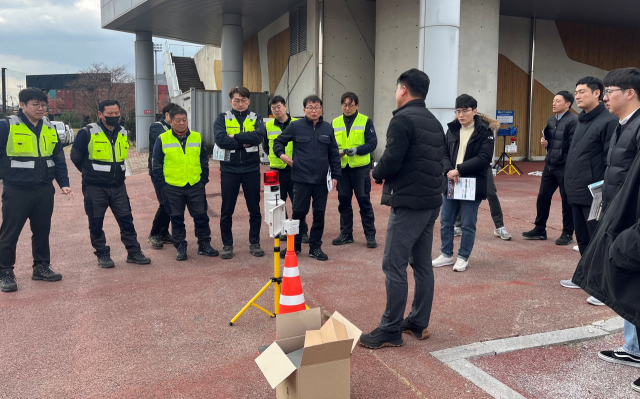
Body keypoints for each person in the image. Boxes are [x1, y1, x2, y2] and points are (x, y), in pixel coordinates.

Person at [358, 68, 445, 349]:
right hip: (431, 202)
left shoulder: (403, 120)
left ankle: (390, 328)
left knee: (393, 264)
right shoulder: (434, 121)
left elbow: (391, 160)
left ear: (403, 90)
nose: (396, 93)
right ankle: (418, 323)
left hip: (409, 203)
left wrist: (376, 172)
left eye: (397, 89)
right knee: (421, 264)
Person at [572, 73, 640, 394]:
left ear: (630, 92)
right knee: (628, 286)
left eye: (610, 91)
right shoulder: (623, 126)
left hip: (632, 221)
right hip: (617, 215)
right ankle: (634, 349)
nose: (606, 97)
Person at [0, 88, 73, 292]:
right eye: (36, 105)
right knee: (10, 233)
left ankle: (41, 267)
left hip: (43, 189)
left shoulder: (49, 127)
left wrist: (64, 183)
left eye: (43, 105)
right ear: (22, 106)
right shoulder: (7, 126)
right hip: (17, 190)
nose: (41, 109)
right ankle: (5, 272)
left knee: (42, 231)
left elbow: (58, 157)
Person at [71, 99, 151, 268]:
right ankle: (102, 254)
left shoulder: (123, 132)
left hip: (118, 186)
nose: (114, 117)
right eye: (110, 114)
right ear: (100, 114)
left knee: (126, 220)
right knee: (96, 222)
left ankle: (133, 251)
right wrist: (90, 174)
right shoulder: (87, 132)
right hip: (95, 187)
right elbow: (75, 157)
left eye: (117, 113)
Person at [560, 77, 617, 292]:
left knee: (598, 239)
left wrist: (604, 190)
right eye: (576, 92)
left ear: (597, 94)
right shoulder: (580, 120)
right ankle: (585, 278)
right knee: (582, 237)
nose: (577, 96)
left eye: (582, 91)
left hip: (595, 193)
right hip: (575, 189)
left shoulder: (608, 120)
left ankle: (602, 287)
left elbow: (609, 159)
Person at [273, 95, 341, 261]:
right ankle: (294, 247)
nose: (314, 110)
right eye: (310, 107)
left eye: (317, 107)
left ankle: (315, 247)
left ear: (321, 109)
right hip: (301, 179)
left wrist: (336, 175)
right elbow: (278, 142)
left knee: (319, 214)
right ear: (304, 110)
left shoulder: (327, 128)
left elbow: (333, 154)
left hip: (320, 181)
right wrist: (282, 156)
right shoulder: (295, 126)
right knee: (298, 214)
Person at [432, 94, 494, 273]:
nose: (461, 115)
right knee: (446, 220)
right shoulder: (451, 129)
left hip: (471, 183)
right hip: (451, 181)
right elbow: (443, 152)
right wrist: (449, 171)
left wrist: (460, 169)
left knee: (467, 223)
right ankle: (446, 254)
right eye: (458, 111)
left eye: (465, 111)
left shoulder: (485, 131)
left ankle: (463, 256)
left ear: (474, 111)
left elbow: (484, 158)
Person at [152, 106, 218, 261]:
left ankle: (204, 244)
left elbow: (203, 159)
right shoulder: (162, 139)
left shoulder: (196, 137)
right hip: (172, 186)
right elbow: (156, 164)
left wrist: (203, 179)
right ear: (170, 121)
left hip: (195, 184)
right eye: (178, 120)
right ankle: (180, 245)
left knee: (201, 217)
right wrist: (163, 185)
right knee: (176, 218)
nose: (182, 123)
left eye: (184, 120)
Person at [213, 87, 265, 260]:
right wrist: (243, 142)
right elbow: (220, 140)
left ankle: (254, 242)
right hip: (229, 170)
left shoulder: (256, 118)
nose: (240, 104)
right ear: (231, 101)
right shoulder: (222, 118)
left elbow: (258, 137)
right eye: (236, 100)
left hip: (251, 169)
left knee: (254, 209)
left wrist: (234, 137)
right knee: (227, 210)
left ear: (249, 101)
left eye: (243, 100)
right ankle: (227, 245)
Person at [522, 91, 577, 245]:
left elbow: (573, 146)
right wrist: (546, 144)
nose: (554, 103)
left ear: (568, 104)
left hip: (564, 167)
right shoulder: (552, 120)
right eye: (553, 100)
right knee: (543, 197)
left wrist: (565, 163)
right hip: (550, 165)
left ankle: (567, 233)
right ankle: (540, 229)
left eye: (557, 101)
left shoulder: (573, 121)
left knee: (567, 201)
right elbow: (553, 142)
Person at [331, 92, 378, 248]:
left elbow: (372, 143)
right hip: (343, 169)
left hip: (360, 169)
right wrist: (335, 153)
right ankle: (346, 234)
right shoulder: (335, 122)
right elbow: (331, 146)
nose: (347, 107)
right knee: (343, 203)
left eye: (351, 105)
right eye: (344, 104)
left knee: (364, 202)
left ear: (357, 105)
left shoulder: (365, 121)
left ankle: (370, 235)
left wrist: (357, 149)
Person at [262, 96, 308, 245]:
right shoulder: (268, 126)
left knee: (298, 201)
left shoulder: (298, 124)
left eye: (279, 106)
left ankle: (301, 231)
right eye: (273, 108)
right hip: (276, 170)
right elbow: (266, 147)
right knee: (278, 202)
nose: (277, 110)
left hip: (295, 168)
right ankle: (283, 230)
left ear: (285, 107)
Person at [147, 103, 176, 249]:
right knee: (165, 203)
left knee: (170, 203)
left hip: (173, 171)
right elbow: (166, 140)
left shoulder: (174, 128)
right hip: (158, 171)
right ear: (166, 115)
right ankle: (154, 234)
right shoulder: (157, 126)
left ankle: (164, 233)